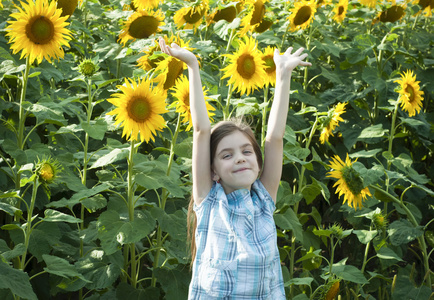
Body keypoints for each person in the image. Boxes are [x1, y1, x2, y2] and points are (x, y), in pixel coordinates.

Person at [159, 36, 311, 299]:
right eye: (227, 155)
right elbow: (200, 130)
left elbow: (274, 138)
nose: (240, 158)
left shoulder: (264, 200)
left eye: (246, 151)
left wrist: (283, 75)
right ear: (213, 171)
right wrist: (193, 66)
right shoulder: (209, 201)